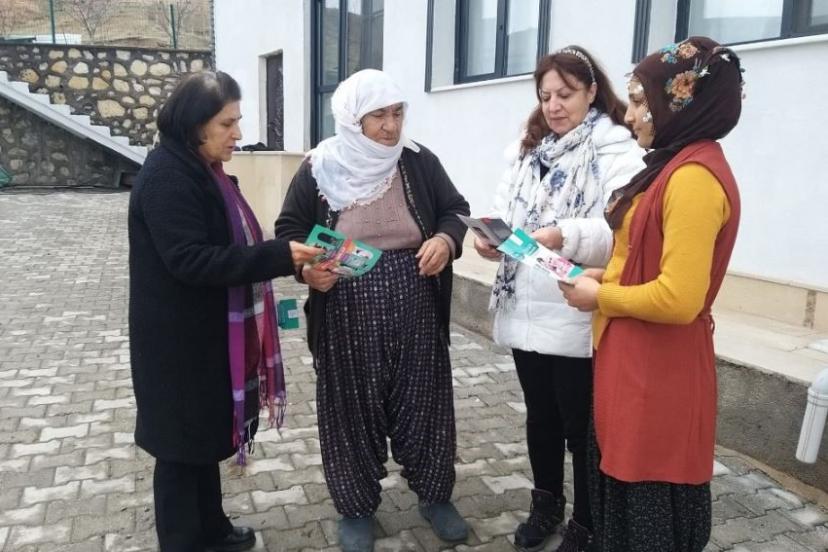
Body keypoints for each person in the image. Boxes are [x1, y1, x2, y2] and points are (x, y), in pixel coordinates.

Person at [274, 69, 471, 552]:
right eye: (378, 115)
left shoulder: (418, 161)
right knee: (351, 406)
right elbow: (289, 230)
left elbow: (455, 209)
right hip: (346, 300)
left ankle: (435, 495)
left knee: (424, 400)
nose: (390, 126)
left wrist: (446, 241)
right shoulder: (319, 168)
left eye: (397, 113)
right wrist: (307, 272)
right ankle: (356, 507)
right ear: (352, 119)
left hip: (414, 294)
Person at [560, 36, 744, 552]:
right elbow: (646, 259)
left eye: (642, 102)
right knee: (623, 484)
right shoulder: (671, 164)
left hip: (659, 370)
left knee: (648, 497)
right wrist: (605, 277)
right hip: (634, 359)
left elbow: (679, 298)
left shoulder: (693, 179)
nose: (631, 116)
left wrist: (601, 298)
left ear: (680, 103)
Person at [128, 71, 321, 552]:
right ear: (195, 125)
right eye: (227, 124)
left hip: (204, 334)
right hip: (175, 343)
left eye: (237, 121)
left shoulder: (200, 168)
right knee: (179, 450)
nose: (238, 133)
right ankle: (182, 541)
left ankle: (211, 529)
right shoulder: (168, 177)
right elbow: (191, 260)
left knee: (203, 438)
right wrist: (279, 256)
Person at [473, 47, 644, 552]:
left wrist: (563, 235)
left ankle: (588, 522)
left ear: (591, 92)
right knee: (539, 417)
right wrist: (490, 239)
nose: (553, 105)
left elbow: (624, 231)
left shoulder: (615, 149)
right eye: (545, 95)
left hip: (574, 308)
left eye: (565, 94)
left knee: (581, 429)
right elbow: (504, 212)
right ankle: (545, 503)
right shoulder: (528, 150)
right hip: (525, 306)